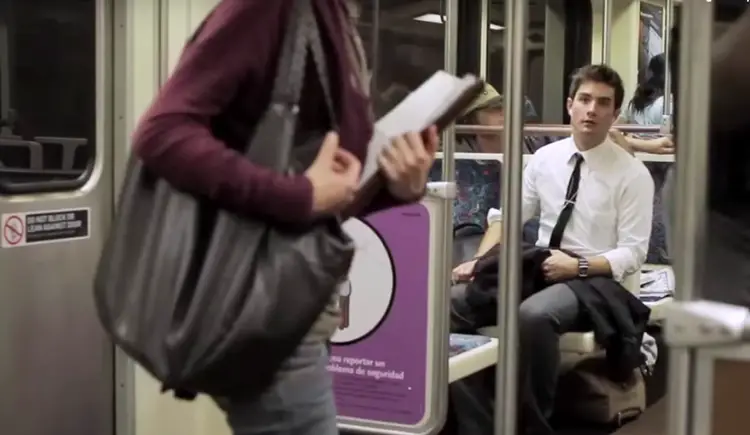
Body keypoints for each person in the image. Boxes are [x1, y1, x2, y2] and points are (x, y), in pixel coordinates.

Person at [130, 1, 439, 434]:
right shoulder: (272, 8)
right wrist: (300, 195)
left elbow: (323, 189)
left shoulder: (335, 17)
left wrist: (396, 187)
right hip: (263, 302)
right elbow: (161, 133)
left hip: (299, 296)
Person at [449, 64, 654, 435]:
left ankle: (534, 426)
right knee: (452, 305)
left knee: (535, 316)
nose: (592, 109)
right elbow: (507, 216)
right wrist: (479, 262)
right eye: (585, 100)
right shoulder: (544, 160)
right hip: (541, 265)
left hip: (595, 281)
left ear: (615, 114)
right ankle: (480, 423)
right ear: (569, 105)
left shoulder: (632, 175)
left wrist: (578, 268)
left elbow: (633, 253)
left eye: (603, 103)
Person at [610, 53, 674, 155]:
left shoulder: (636, 102)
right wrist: (649, 145)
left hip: (637, 159)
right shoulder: (666, 104)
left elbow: (612, 130)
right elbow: (671, 143)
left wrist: (630, 138)